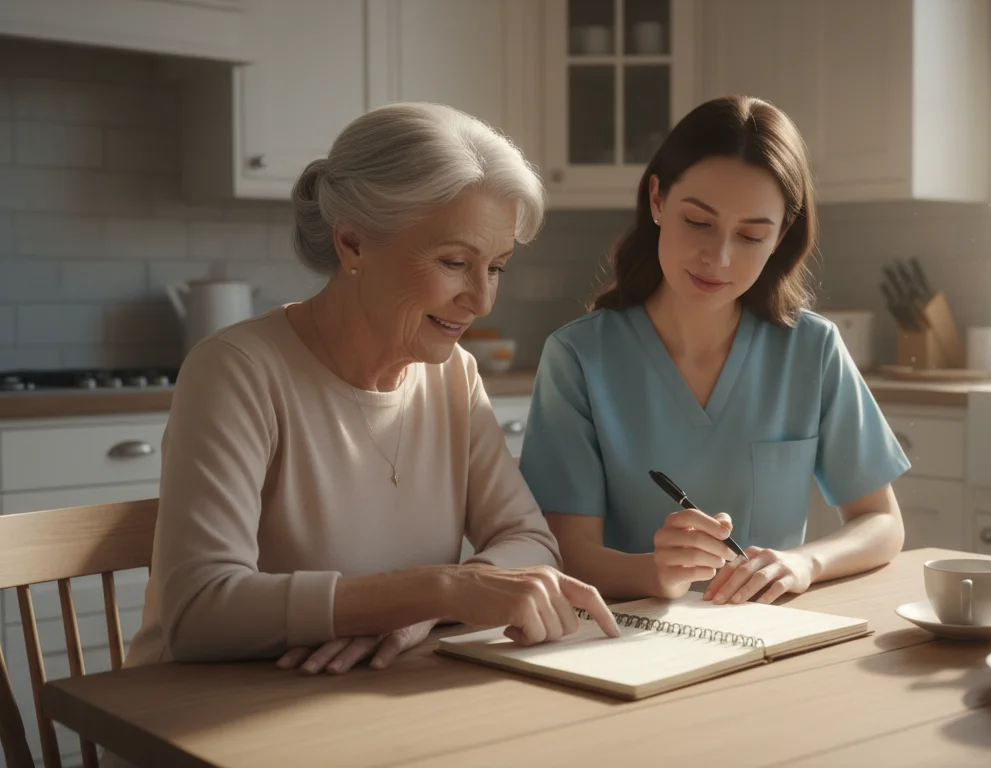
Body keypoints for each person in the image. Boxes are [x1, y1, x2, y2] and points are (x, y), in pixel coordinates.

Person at [123, 102, 620, 677]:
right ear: (353, 244)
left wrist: (416, 615)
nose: (481, 301)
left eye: (497, 268)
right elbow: (199, 610)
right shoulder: (236, 371)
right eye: (456, 262)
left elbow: (530, 541)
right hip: (192, 722)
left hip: (353, 708)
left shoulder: (452, 374)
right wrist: (439, 590)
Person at [518, 95, 909, 607]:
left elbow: (881, 521)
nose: (718, 258)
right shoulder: (577, 358)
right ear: (657, 199)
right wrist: (654, 574)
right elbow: (565, 552)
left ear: (781, 234)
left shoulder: (812, 349)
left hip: (771, 638)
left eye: (750, 235)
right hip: (621, 643)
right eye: (698, 223)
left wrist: (804, 562)